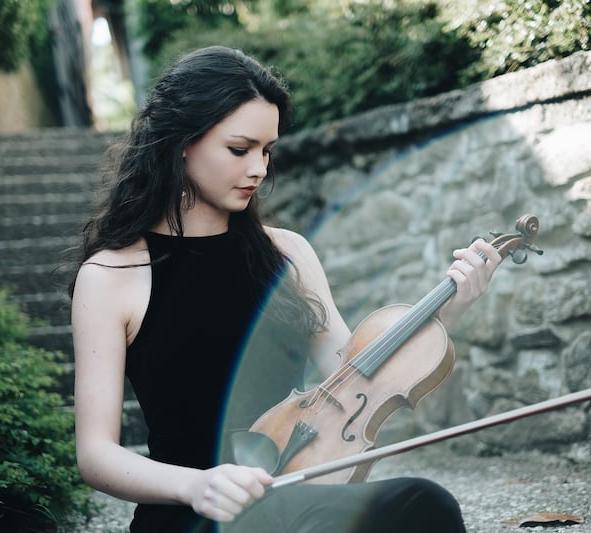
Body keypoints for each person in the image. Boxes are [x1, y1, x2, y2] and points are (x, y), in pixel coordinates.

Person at [69, 45, 502, 533]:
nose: (259, 168)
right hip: (194, 515)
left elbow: (353, 375)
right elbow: (96, 455)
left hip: (295, 500)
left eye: (266, 151)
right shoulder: (111, 276)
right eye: (240, 149)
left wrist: (449, 311)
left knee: (418, 505)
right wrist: (196, 485)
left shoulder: (287, 254)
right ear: (182, 142)